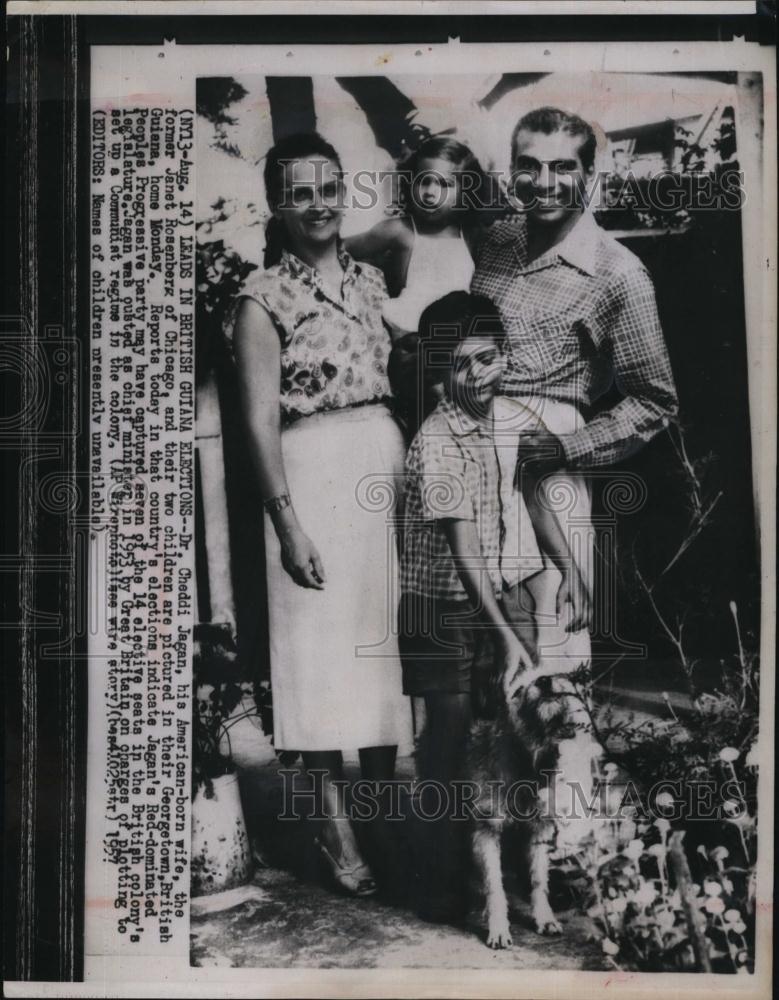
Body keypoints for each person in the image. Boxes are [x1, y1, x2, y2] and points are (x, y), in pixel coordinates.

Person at [225, 132, 412, 898]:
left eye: (329, 188)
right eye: (298, 192)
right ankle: (336, 841)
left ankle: (380, 825)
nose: (317, 205)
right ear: (275, 204)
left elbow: (409, 234)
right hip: (309, 476)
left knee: (377, 662)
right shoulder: (260, 297)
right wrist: (286, 523)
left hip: (380, 468)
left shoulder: (371, 281)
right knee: (313, 669)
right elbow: (257, 424)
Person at [398, 291, 590, 922]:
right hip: (447, 607)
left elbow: (534, 494)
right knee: (452, 743)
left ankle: (517, 874)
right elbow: (464, 551)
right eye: (461, 364)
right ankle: (440, 879)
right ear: (436, 369)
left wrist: (569, 569)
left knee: (518, 735)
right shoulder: (435, 441)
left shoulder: (514, 419)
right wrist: (506, 636)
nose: (479, 374)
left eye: (489, 358)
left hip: (506, 593)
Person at [472, 106, 679, 679]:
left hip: (548, 462)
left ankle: (566, 770)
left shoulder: (618, 272)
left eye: (563, 167)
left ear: (590, 172)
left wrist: (570, 447)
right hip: (474, 452)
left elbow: (656, 401)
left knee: (554, 642)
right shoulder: (496, 241)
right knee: (486, 648)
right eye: (528, 165)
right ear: (511, 169)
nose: (544, 183)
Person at [346, 136, 497, 338]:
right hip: (407, 337)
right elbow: (335, 249)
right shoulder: (400, 230)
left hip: (454, 340)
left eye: (445, 184)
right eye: (424, 181)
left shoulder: (471, 235)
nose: (430, 193)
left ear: (466, 192)